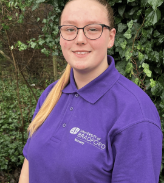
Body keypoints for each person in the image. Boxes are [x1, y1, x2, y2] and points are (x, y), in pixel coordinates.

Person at [19, 0, 163, 182]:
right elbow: (28, 167)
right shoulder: (50, 94)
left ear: (111, 37)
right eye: (70, 29)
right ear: (61, 36)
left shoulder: (135, 114)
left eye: (93, 29)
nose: (80, 39)